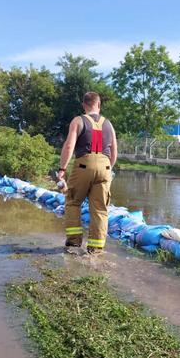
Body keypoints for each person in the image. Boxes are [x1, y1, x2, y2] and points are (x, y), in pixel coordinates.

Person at [57, 92, 118, 255]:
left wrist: (62, 169)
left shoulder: (78, 120)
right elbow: (114, 151)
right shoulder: (108, 124)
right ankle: (96, 248)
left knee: (73, 202)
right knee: (100, 209)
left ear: (84, 105)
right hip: (105, 167)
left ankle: (74, 243)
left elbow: (69, 146)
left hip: (84, 164)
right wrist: (107, 168)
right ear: (99, 105)